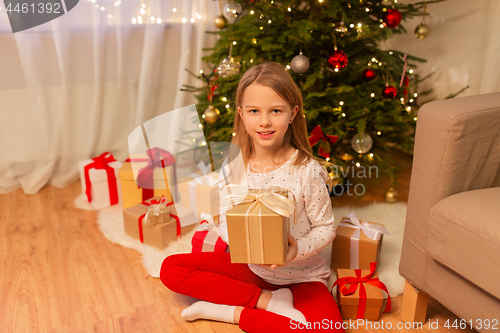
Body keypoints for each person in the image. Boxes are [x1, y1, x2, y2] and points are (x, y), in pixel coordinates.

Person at [160, 62, 344, 332]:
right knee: (171, 268)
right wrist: (243, 245)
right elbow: (224, 221)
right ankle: (266, 301)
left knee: (329, 330)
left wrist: (296, 249)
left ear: (293, 113)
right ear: (241, 114)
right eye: (254, 111)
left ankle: (230, 312)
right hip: (251, 270)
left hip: (302, 277)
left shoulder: (307, 170)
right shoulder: (234, 166)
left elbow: (326, 228)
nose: (264, 121)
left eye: (276, 111)